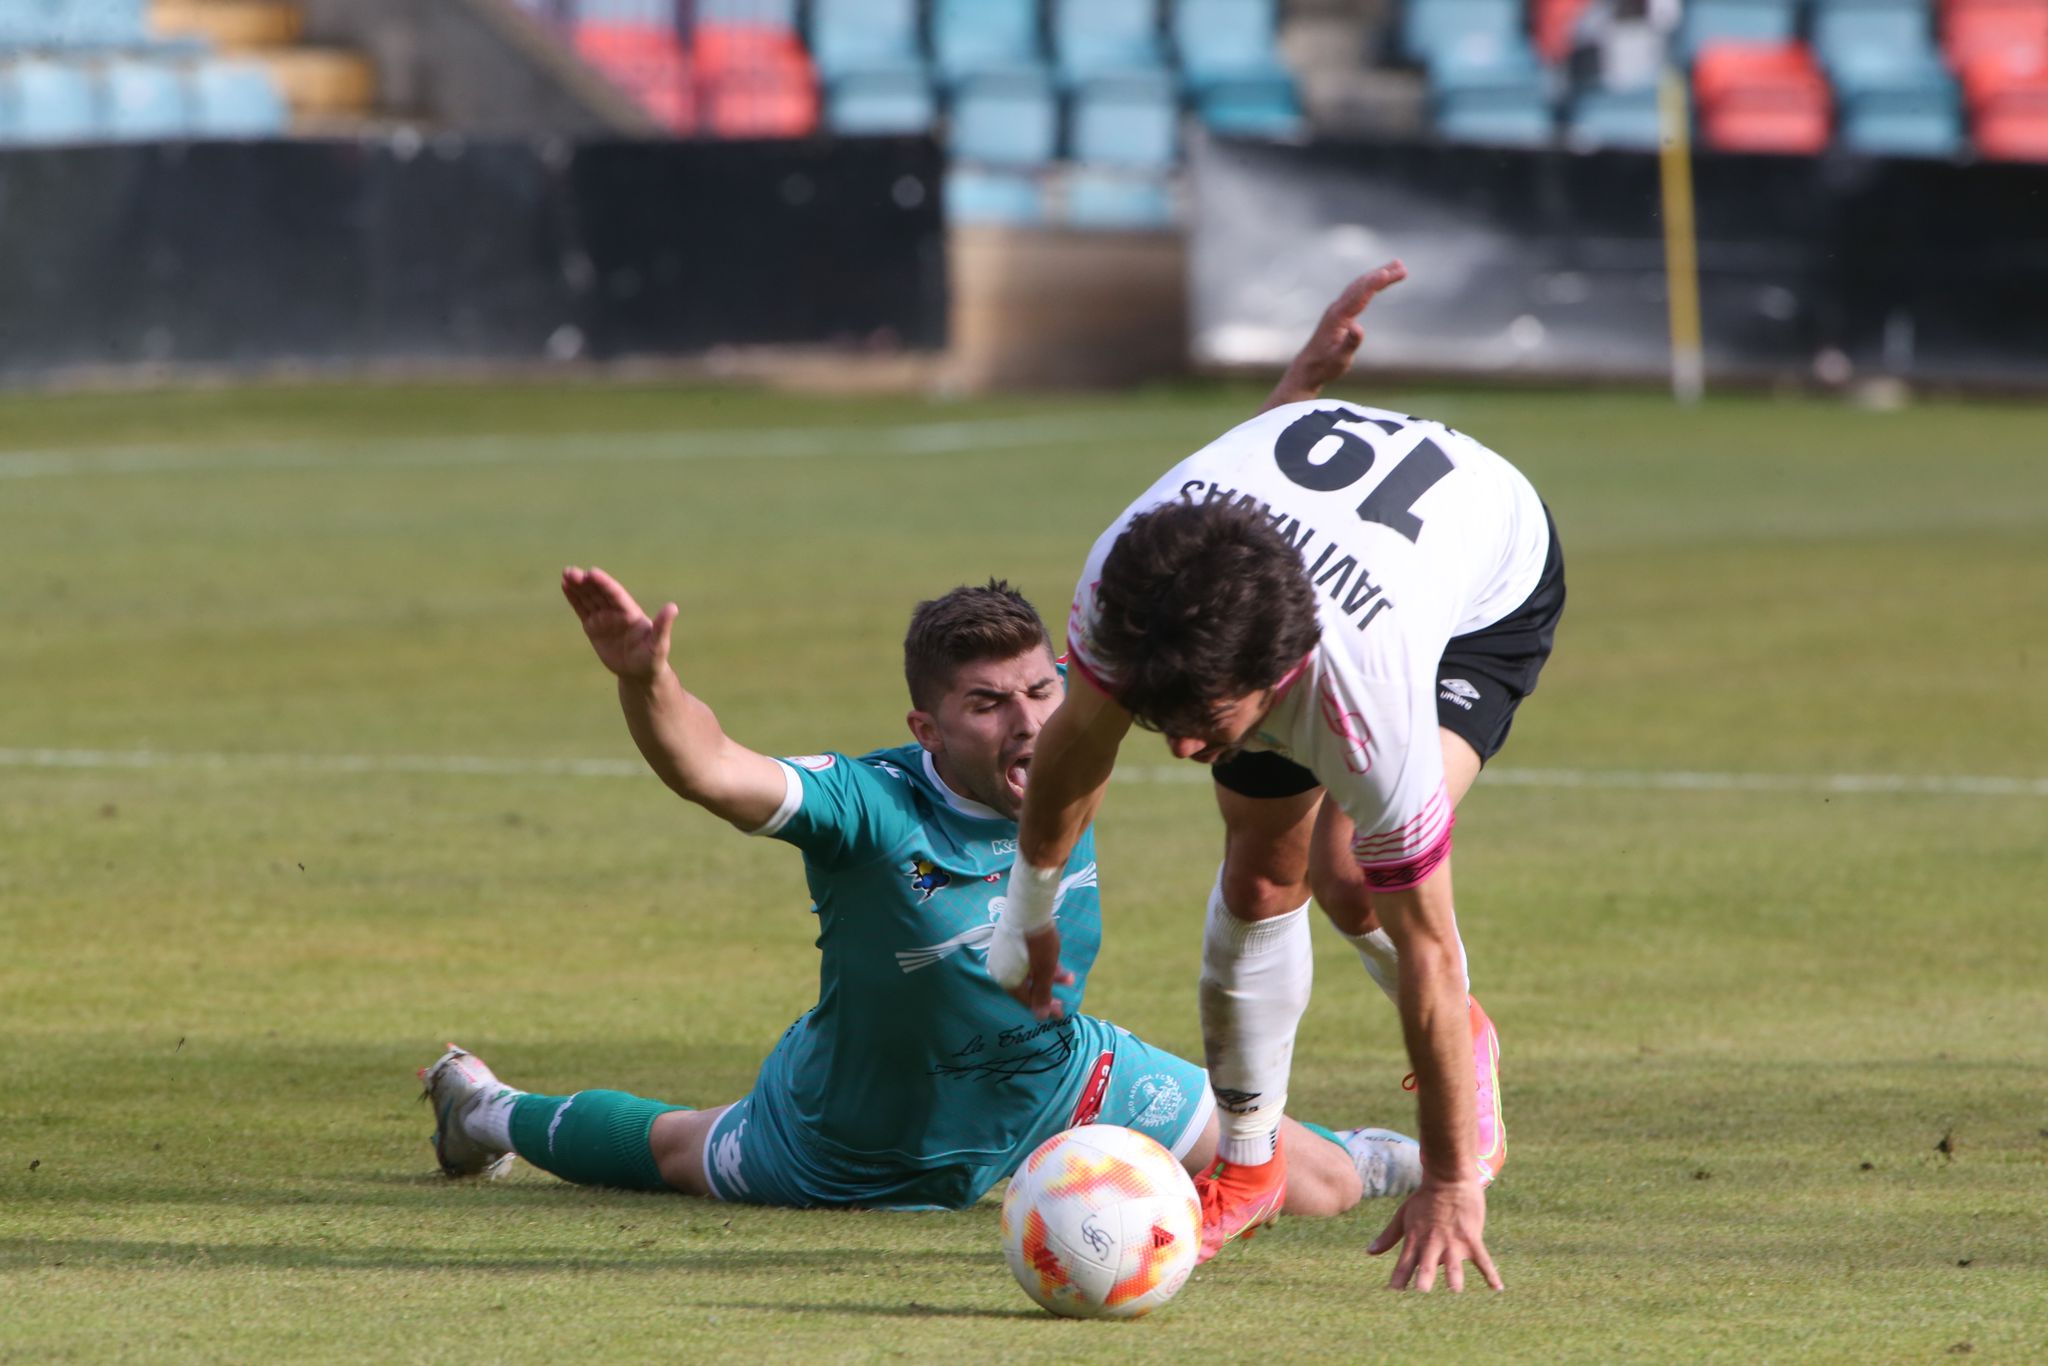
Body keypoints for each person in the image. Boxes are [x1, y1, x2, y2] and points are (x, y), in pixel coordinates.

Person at [419, 572, 1423, 1224]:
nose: (1025, 723)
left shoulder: (1083, 738)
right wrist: (646, 681)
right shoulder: (867, 805)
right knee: (677, 1147)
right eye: (985, 704)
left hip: (1057, 1080)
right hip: (851, 1140)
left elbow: (1217, 568)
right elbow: (710, 768)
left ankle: (1415, 1157)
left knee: (1323, 1187)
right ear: (927, 725)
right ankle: (487, 1108)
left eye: (1037, 692)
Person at [987, 261, 1565, 1292]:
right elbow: (1080, 740)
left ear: (1275, 678)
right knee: (1259, 875)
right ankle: (1248, 1170)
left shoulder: (1360, 700)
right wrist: (1024, 906)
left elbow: (1426, 945)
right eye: (1163, 717)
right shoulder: (1132, 585)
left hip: (1483, 578)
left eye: (1201, 724)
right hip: (1298, 549)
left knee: (1351, 874)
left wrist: (1446, 1179)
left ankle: (1466, 1046)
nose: (1176, 746)